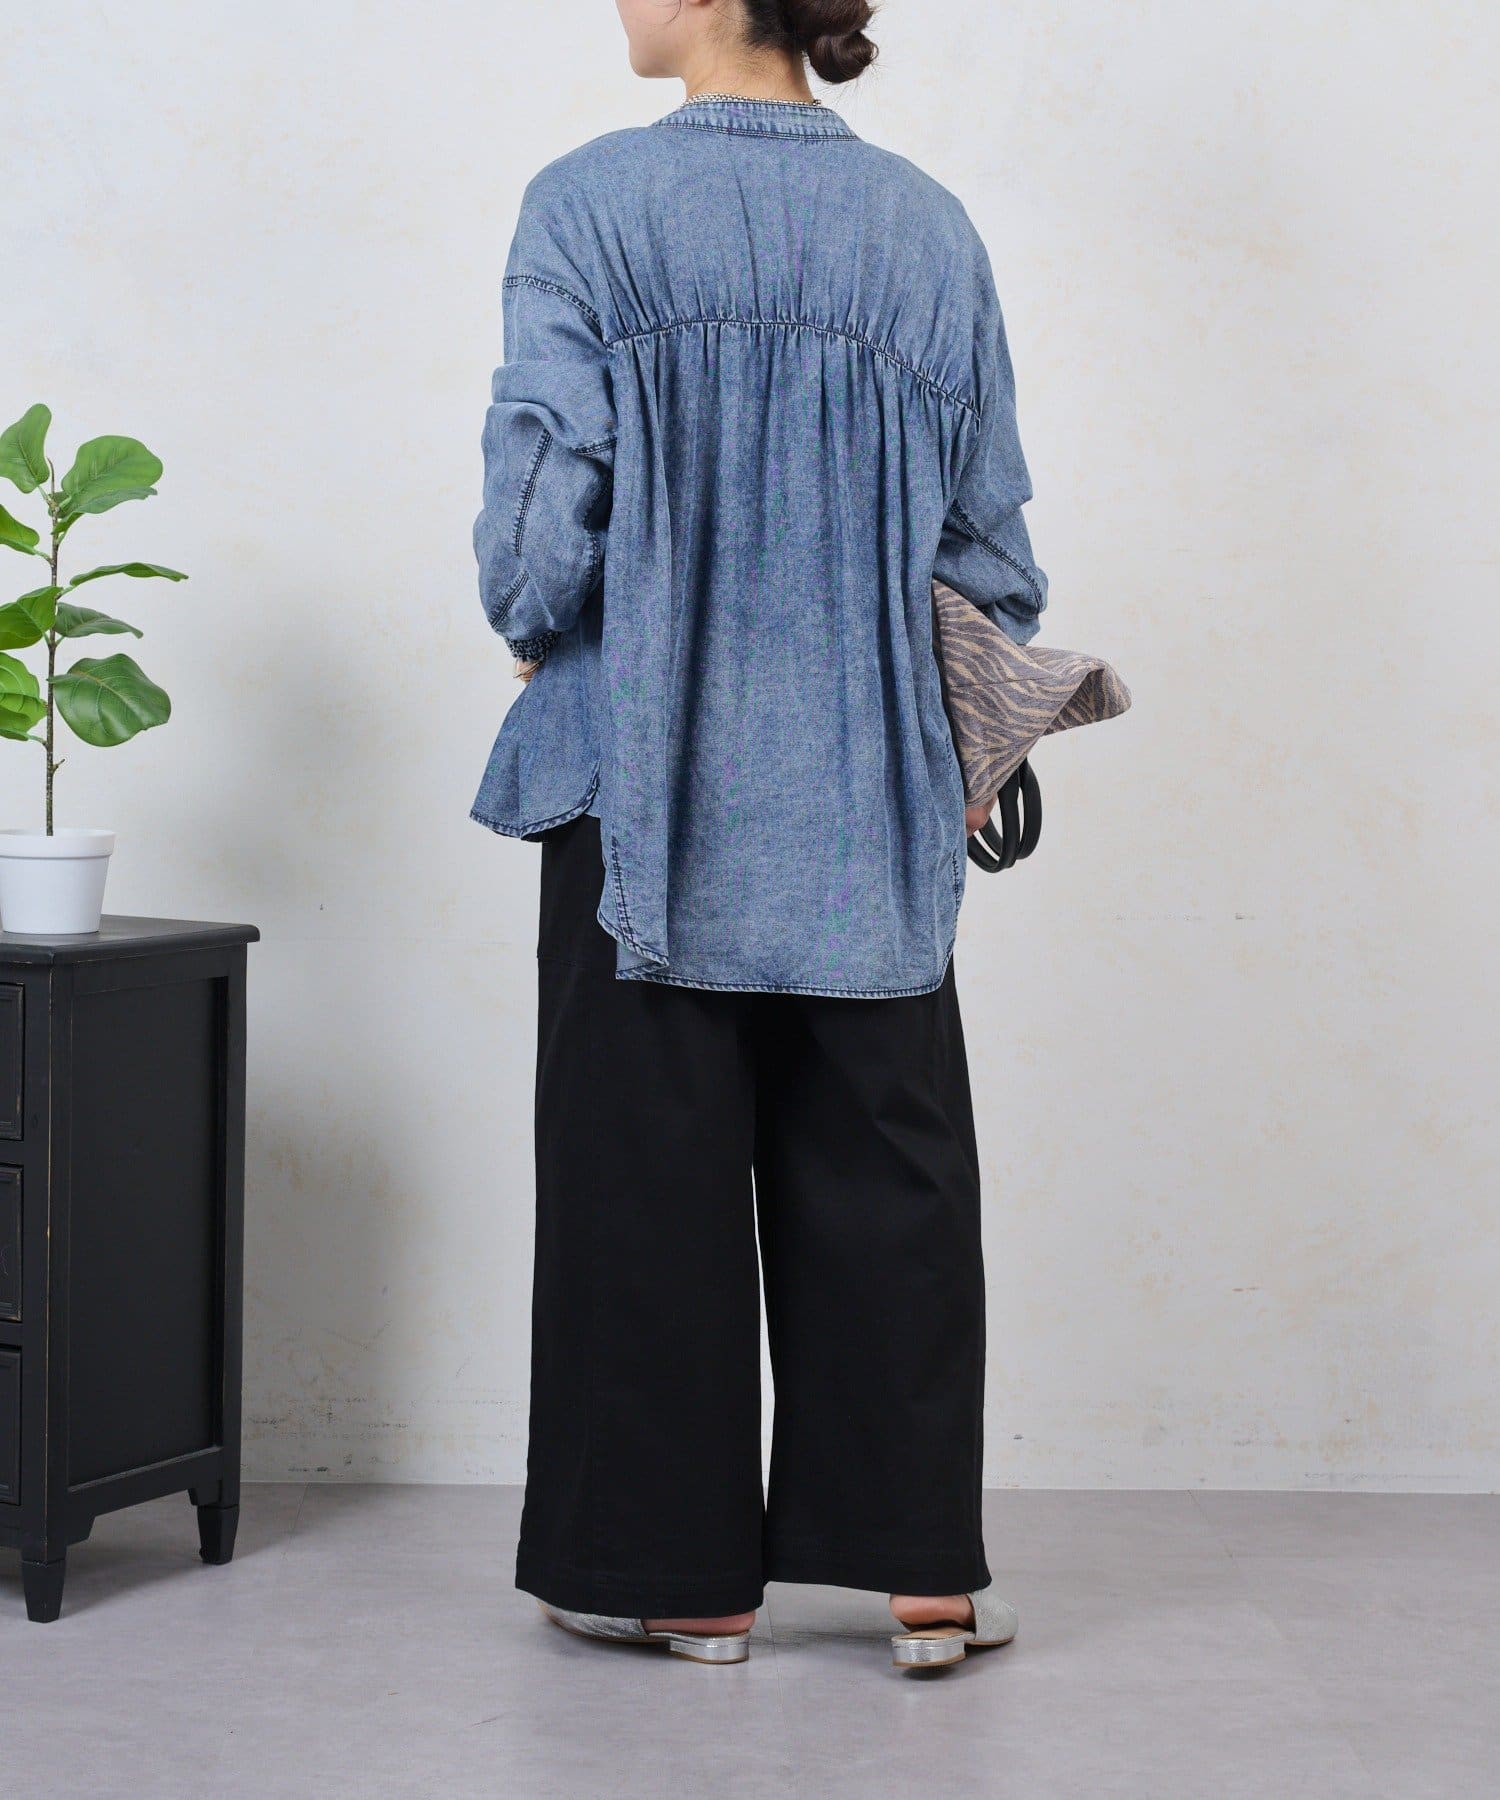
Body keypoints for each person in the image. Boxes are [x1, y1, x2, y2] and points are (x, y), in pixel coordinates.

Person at [470, 0, 1045, 1673]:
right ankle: (923, 1571)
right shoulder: (928, 229)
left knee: (641, 1169)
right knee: (891, 1164)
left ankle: (681, 1578)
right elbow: (987, 543)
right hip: (870, 776)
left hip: (641, 774)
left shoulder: (589, 203)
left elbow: (545, 492)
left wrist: (533, 616)